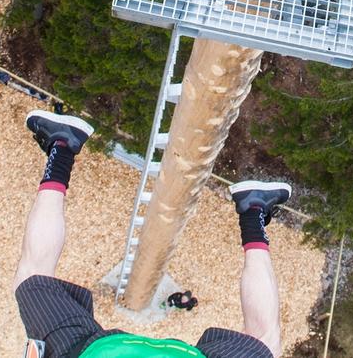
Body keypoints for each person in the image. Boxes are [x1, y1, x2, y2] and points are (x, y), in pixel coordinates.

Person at [16, 109, 292, 358]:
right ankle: (62, 145)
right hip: (94, 352)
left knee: (265, 341)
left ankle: (253, 209)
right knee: (32, 276)